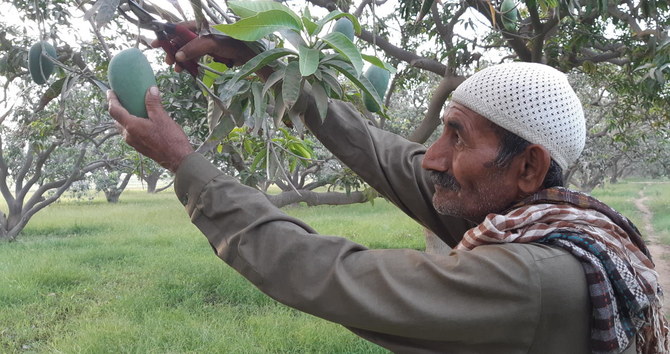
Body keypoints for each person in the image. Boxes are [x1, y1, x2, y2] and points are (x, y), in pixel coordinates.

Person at [106, 33, 668, 353]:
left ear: (528, 166)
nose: (433, 156)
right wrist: (262, 62)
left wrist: (183, 162)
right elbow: (382, 152)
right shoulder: (538, 218)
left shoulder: (535, 280)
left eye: (457, 137)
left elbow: (328, 274)